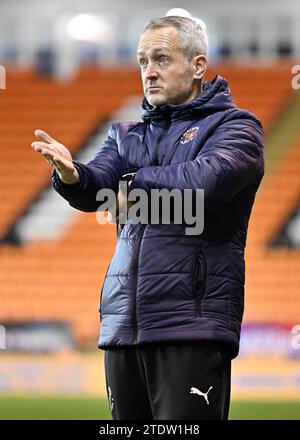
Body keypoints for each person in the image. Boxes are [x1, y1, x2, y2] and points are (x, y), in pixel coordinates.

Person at [31, 16, 264, 420]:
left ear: (197, 66)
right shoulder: (126, 135)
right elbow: (95, 187)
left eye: (161, 59)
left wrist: (130, 183)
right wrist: (72, 175)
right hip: (122, 324)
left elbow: (202, 183)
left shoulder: (237, 127)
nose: (148, 72)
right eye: (142, 61)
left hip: (190, 325)